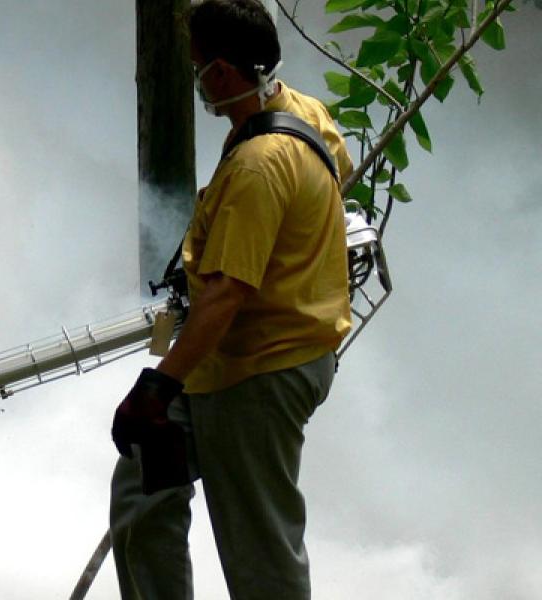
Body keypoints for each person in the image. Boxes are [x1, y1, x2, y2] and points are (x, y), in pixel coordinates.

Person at [108, 1, 355, 599]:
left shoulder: (258, 167)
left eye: (197, 67)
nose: (196, 80)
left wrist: (156, 388)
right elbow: (340, 172)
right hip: (220, 362)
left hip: (260, 374)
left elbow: (226, 296)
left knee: (259, 550)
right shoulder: (303, 112)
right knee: (143, 490)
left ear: (220, 73)